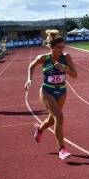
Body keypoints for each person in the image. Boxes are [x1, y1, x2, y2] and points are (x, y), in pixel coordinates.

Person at [25, 29, 78, 160]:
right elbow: (31, 66)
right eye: (59, 47)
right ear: (52, 47)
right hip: (47, 91)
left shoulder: (66, 57)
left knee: (52, 119)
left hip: (62, 91)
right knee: (59, 118)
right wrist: (29, 79)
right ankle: (62, 149)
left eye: (63, 47)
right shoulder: (44, 58)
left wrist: (64, 68)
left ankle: (40, 129)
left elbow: (75, 75)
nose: (62, 49)